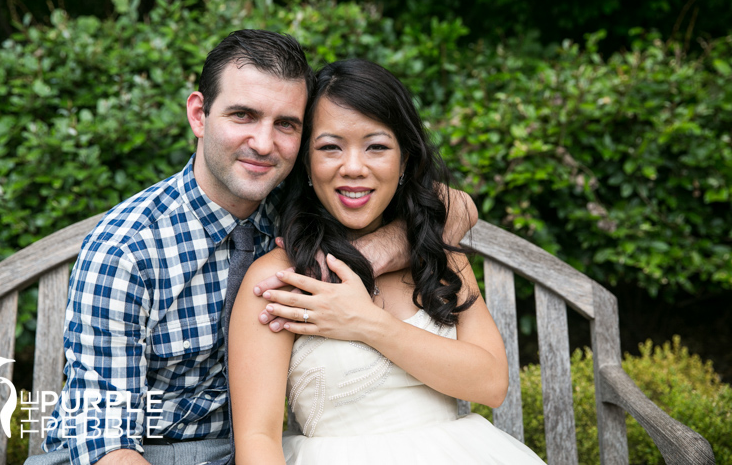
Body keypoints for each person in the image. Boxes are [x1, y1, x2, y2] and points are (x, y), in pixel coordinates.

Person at [27, 31, 477, 465]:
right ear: (199, 115)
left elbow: (456, 205)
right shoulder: (127, 250)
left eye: (286, 124)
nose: (264, 144)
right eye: (243, 115)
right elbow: (104, 441)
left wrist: (367, 258)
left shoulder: (299, 208)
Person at [229, 59, 545, 464]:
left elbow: (491, 384)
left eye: (376, 146)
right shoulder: (283, 278)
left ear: (405, 162)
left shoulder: (433, 252)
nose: (354, 168)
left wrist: (367, 323)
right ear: (306, 164)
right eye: (330, 147)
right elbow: (258, 438)